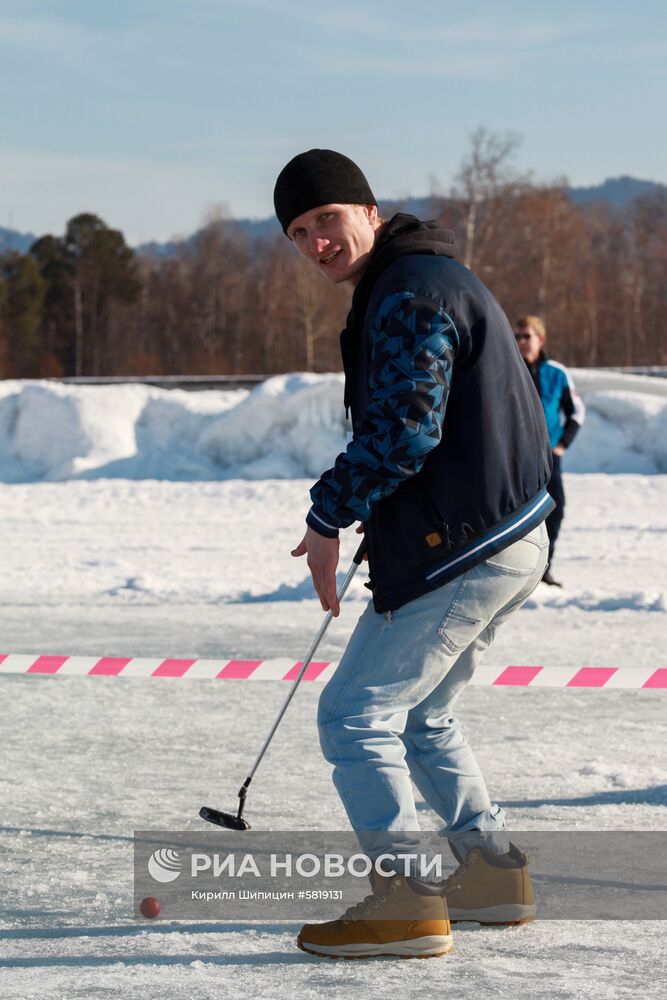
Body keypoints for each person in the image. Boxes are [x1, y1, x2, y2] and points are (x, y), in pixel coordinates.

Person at [273, 149, 554, 959]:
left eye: (326, 219)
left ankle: (405, 898)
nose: (316, 242)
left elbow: (402, 431)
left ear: (366, 210)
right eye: (298, 232)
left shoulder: (409, 290)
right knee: (424, 713)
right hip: (502, 535)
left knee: (354, 716)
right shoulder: (427, 277)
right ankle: (492, 873)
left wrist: (328, 516)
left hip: (462, 542)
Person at [514, 316, 586, 587]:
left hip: (547, 458)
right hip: (514, 459)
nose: (520, 342)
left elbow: (576, 412)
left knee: (555, 510)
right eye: (516, 337)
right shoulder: (507, 368)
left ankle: (543, 568)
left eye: (526, 336)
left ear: (540, 339)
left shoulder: (556, 372)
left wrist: (562, 444)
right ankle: (514, 573)